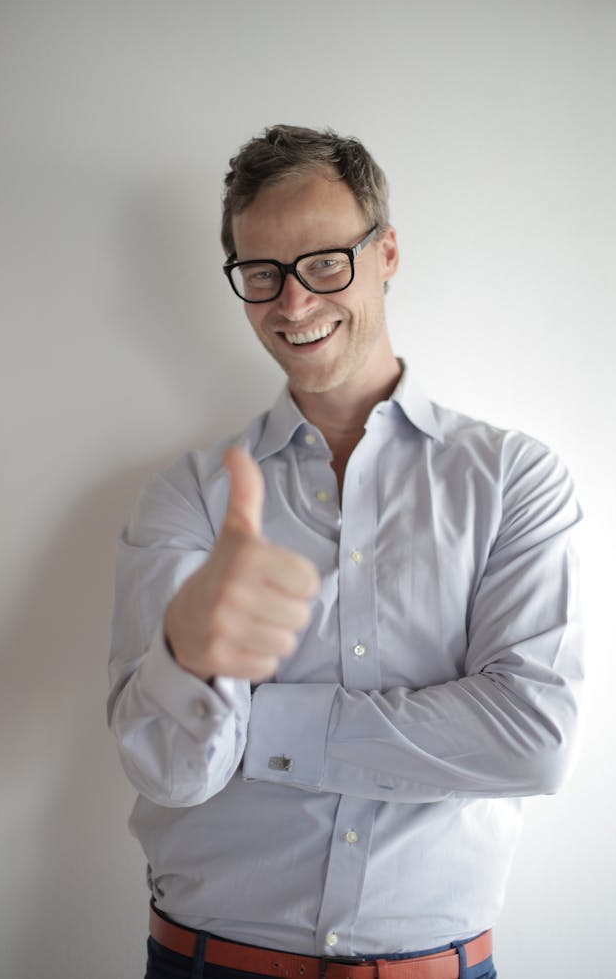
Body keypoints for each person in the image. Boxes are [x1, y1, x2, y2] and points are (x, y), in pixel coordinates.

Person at [108, 124, 584, 979]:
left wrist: (263, 719)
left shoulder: (516, 480)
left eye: (324, 262)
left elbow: (531, 740)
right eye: (262, 275)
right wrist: (186, 656)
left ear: (387, 252)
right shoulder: (187, 495)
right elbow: (170, 774)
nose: (292, 304)